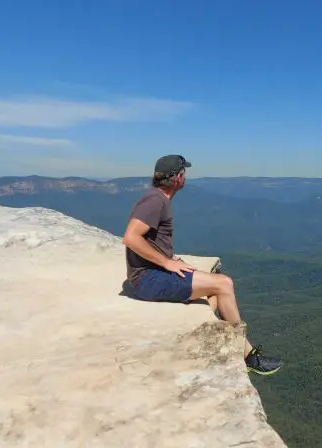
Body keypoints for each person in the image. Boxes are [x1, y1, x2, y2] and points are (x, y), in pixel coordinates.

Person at [120, 154, 283, 376]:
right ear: (177, 178)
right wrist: (166, 262)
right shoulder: (156, 201)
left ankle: (212, 336)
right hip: (148, 280)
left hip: (151, 274)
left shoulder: (157, 198)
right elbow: (130, 237)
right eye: (184, 172)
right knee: (224, 284)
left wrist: (168, 257)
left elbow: (148, 239)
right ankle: (247, 355)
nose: (186, 176)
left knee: (213, 284)